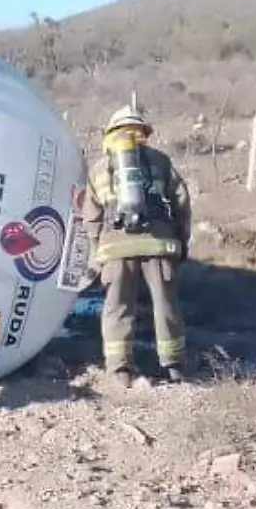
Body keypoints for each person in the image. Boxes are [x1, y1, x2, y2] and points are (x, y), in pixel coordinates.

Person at [78, 105, 194, 387]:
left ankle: (121, 370)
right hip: (160, 244)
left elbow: (90, 217)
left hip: (115, 248)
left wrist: (99, 248)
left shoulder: (98, 169)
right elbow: (181, 201)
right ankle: (174, 366)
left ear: (110, 134)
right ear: (142, 133)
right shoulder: (160, 161)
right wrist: (180, 239)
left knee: (117, 308)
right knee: (166, 306)